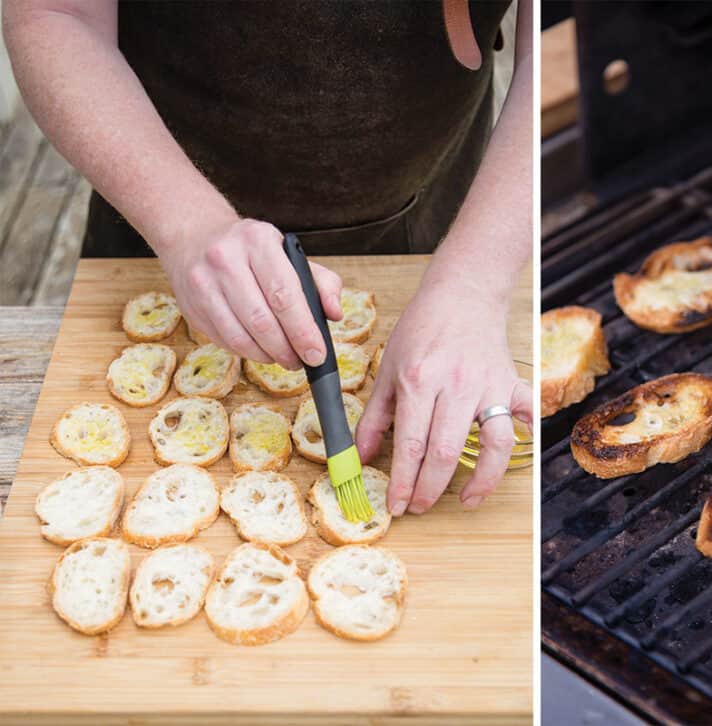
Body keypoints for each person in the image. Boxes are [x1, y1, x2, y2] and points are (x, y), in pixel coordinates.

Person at [3, 0, 533, 516]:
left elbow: (552, 43)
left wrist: (471, 284)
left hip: (446, 215)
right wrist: (186, 223)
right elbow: (54, 13)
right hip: (150, 201)